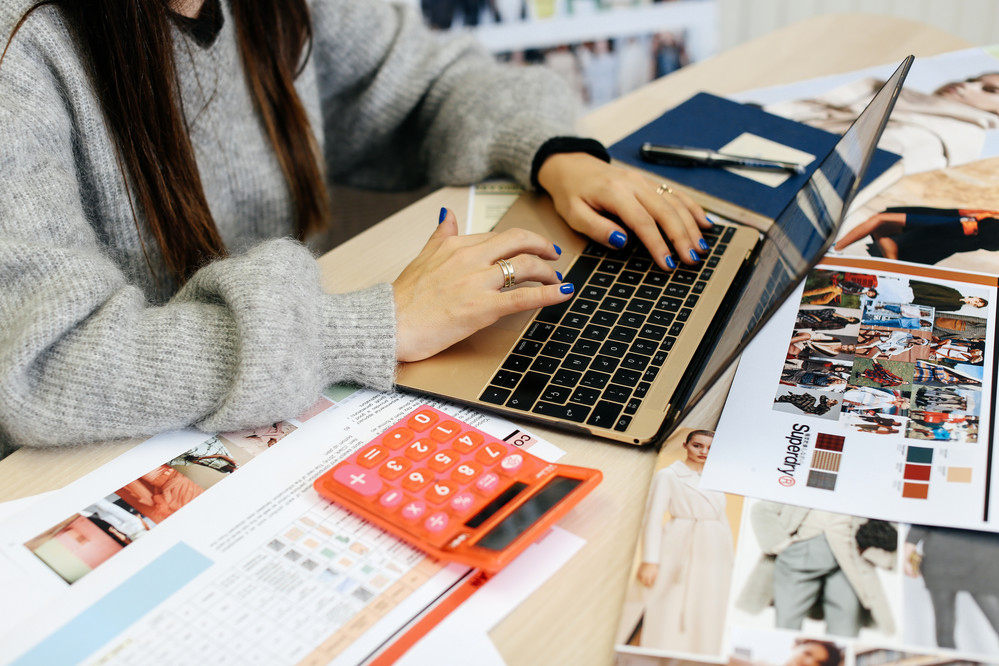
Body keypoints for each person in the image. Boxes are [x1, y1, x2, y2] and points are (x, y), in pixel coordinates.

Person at [0, 0, 711, 458]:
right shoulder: (21, 45)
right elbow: (48, 363)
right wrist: (373, 326)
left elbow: (430, 80)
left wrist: (552, 153)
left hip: (279, 407)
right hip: (97, 456)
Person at [635, 429, 732, 654]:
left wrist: (729, 557)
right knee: (670, 597)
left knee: (706, 600)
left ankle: (700, 651)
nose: (704, 452)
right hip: (681, 539)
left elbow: (721, 516)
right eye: (697, 445)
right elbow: (653, 517)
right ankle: (658, 649)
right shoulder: (669, 475)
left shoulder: (715, 477)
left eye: (709, 448)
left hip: (713, 545)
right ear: (686, 445)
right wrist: (650, 560)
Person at [737, 502, 896, 639]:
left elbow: (891, 527)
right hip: (799, 555)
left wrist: (875, 553)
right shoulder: (803, 482)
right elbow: (761, 509)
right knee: (787, 624)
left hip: (848, 561)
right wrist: (781, 545)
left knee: (846, 622)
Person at [905, 525, 999, 649]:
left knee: (945, 630)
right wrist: (909, 544)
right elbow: (927, 512)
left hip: (982, 558)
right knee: (944, 629)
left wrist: (909, 544)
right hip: (942, 558)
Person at [833, 207, 999, 264]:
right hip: (959, 225)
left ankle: (837, 248)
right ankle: (893, 262)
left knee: (881, 220)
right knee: (882, 225)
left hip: (957, 226)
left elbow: (978, 216)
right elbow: (976, 212)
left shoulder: (965, 233)